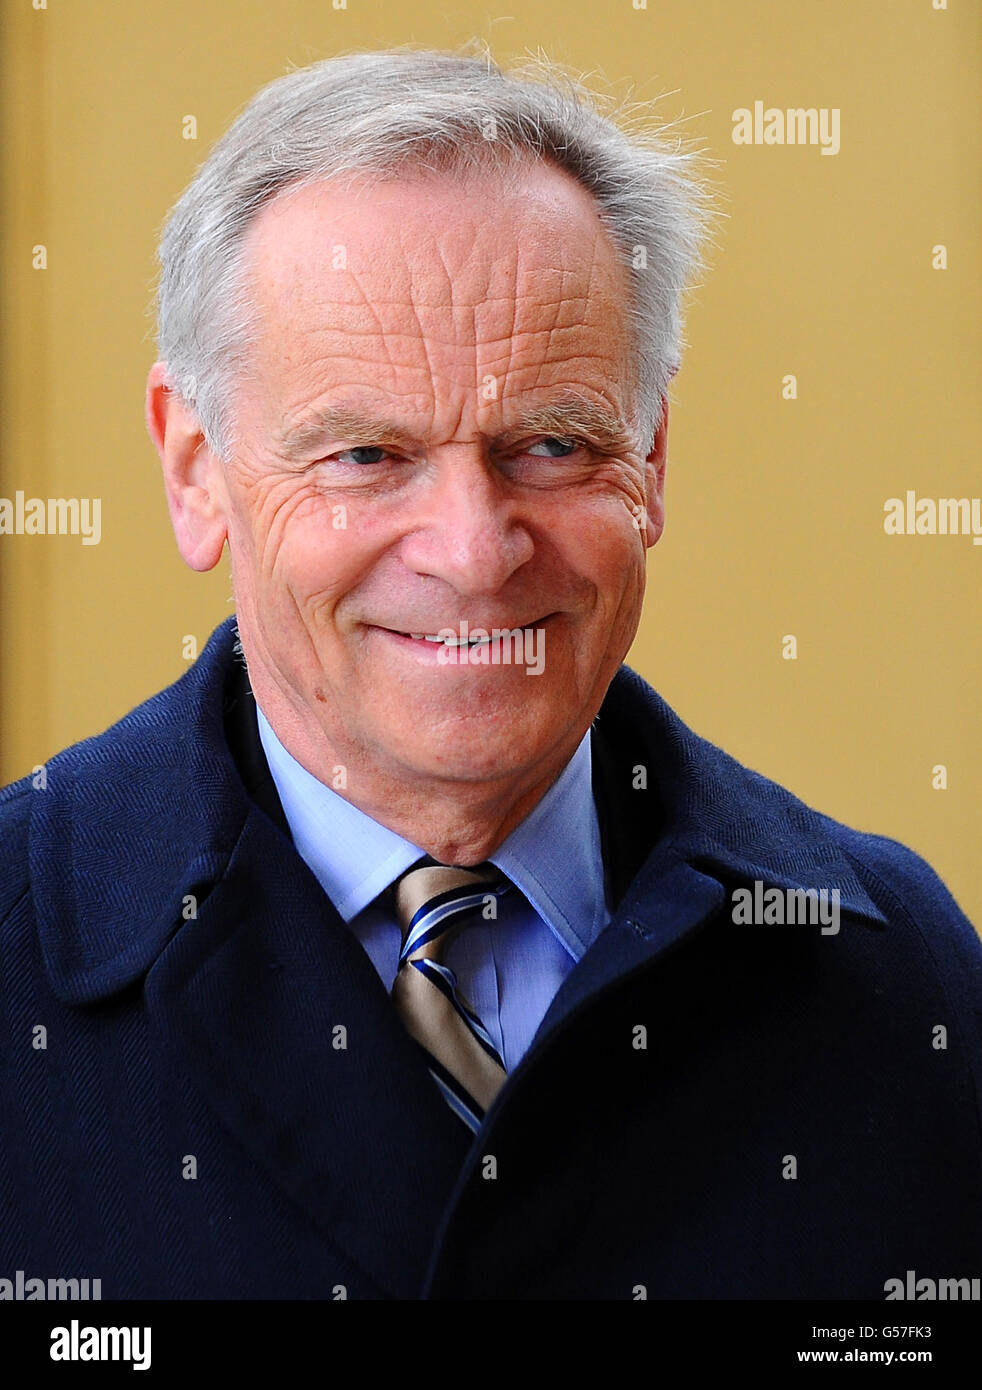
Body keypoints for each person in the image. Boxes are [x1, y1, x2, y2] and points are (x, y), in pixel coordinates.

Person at [1, 46, 979, 1302]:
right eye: (365, 454)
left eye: (554, 444)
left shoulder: (892, 978)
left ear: (654, 458)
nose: (473, 552)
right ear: (195, 471)